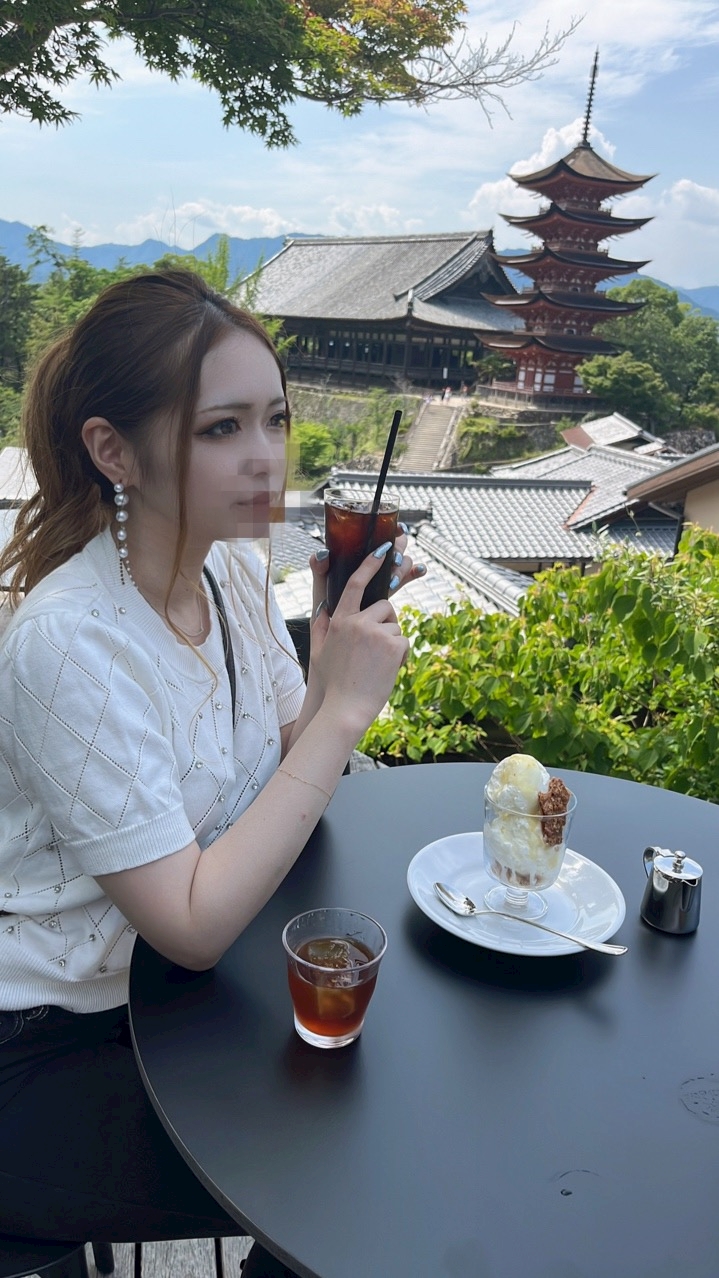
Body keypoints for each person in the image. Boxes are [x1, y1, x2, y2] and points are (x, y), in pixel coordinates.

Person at [0, 270, 418, 1274]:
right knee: (356, 1168)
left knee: (400, 1092)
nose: (265, 457)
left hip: (185, 997)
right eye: (220, 429)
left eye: (274, 419)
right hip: (58, 1036)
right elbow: (187, 923)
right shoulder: (71, 641)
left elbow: (287, 755)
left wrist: (329, 672)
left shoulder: (229, 564)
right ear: (113, 451)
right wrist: (345, 714)